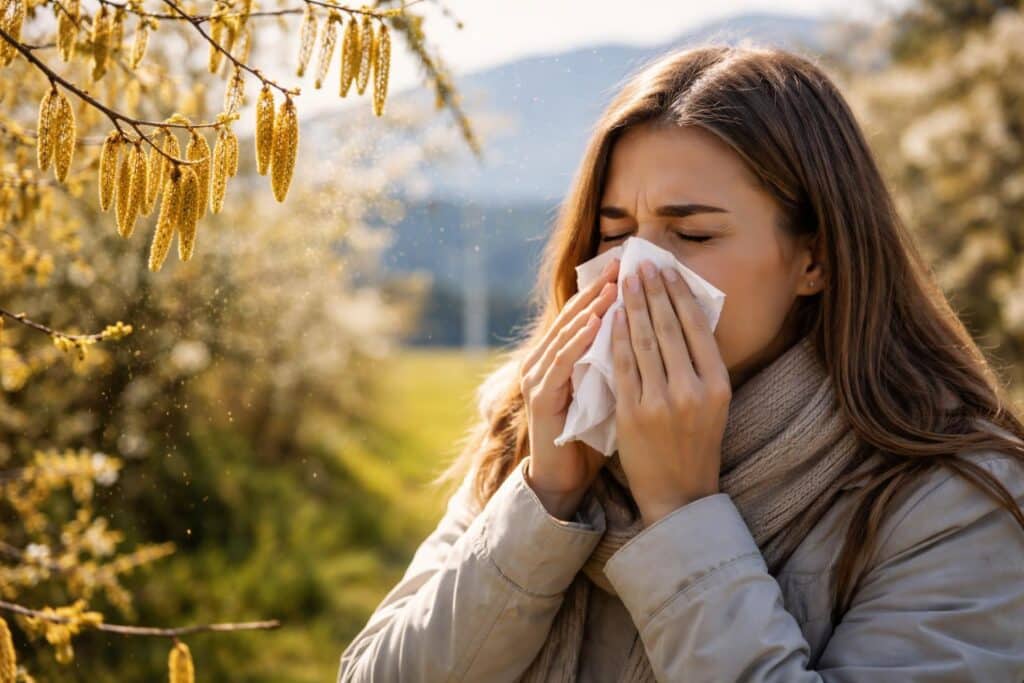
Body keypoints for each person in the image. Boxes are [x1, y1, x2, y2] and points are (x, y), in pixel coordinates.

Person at [336, 43, 1024, 682]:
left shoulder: (952, 501)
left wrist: (682, 513)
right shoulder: (539, 431)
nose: (638, 272)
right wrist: (543, 500)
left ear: (814, 258)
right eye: (615, 233)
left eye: (692, 233)